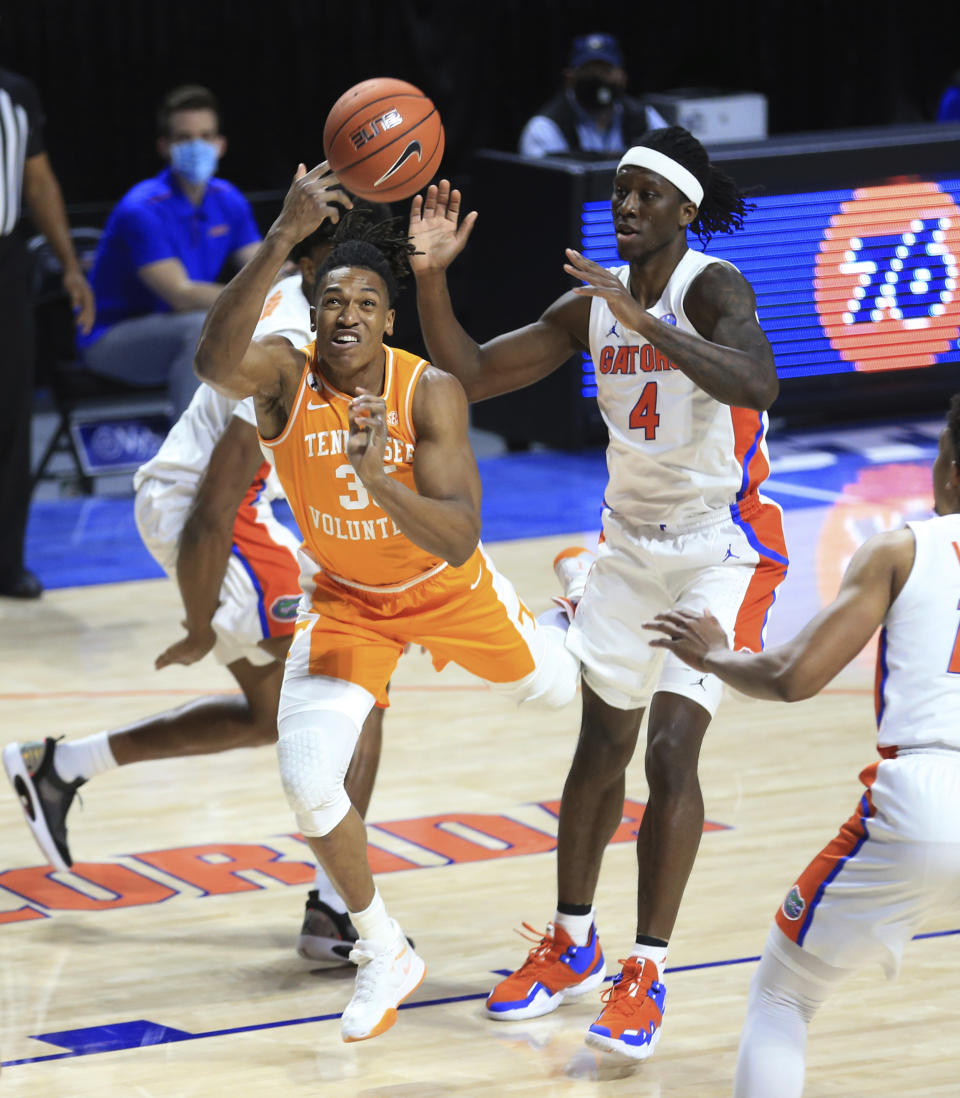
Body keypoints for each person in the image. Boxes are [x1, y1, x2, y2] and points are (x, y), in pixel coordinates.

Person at [407, 125, 787, 1059]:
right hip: (629, 551)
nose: (624, 205)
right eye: (617, 191)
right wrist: (429, 277)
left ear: (685, 210)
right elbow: (472, 373)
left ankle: (646, 972)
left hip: (719, 552)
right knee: (598, 747)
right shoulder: (592, 309)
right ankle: (574, 943)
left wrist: (649, 319)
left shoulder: (712, 286)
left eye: (643, 193)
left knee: (669, 751)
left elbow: (762, 383)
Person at [193, 162, 580, 1043]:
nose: (348, 316)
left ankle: (573, 601)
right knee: (305, 780)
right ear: (313, 311)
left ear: (388, 321)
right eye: (333, 302)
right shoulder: (285, 380)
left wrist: (378, 481)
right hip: (346, 604)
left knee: (556, 690)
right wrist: (283, 236)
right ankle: (381, 949)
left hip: (445, 590)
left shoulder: (426, 391)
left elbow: (456, 536)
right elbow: (213, 359)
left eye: (366, 303)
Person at [2, 218, 382, 965]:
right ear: (310, 265)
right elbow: (215, 504)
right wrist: (200, 621)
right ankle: (338, 911)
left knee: (271, 713)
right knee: (359, 682)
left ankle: (62, 767)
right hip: (213, 513)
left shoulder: (285, 300)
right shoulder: (292, 350)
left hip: (216, 507)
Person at [644, 395, 960, 1097]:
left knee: (784, 994)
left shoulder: (905, 548)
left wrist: (716, 657)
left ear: (953, 472)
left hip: (930, 798)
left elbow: (792, 679)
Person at [77, 85, 261, 417]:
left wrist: (294, 282)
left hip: (182, 323)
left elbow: (263, 266)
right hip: (111, 337)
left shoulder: (228, 198)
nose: (197, 146)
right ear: (165, 147)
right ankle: (190, 458)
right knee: (204, 326)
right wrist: (259, 299)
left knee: (281, 321)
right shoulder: (142, 207)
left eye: (205, 136)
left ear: (221, 145)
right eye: (184, 138)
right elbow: (181, 294)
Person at [0, 66, 95, 599]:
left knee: (11, 415)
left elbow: (38, 180)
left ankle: (6, 562)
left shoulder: (15, 93)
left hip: (5, 261)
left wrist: (70, 266)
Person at [519, 33, 668, 159]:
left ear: (622, 77)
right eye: (588, 72)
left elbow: (672, 163)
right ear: (569, 77)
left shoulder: (644, 118)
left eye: (605, 71)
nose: (598, 79)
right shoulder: (546, 128)